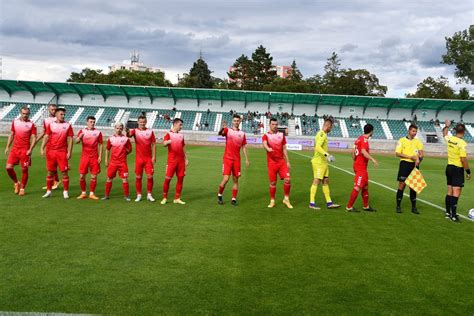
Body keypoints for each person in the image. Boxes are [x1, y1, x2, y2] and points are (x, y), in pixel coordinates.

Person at [40, 108, 73, 199]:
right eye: (61, 114)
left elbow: (70, 139)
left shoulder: (68, 125)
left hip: (62, 152)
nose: (63, 116)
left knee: (64, 172)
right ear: (57, 114)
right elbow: (46, 136)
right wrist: (42, 147)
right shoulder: (50, 125)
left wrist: (69, 151)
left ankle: (65, 192)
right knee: (50, 172)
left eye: (64, 114)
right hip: (51, 152)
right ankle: (49, 191)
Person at [217, 114, 250, 206]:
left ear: (240, 122)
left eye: (237, 121)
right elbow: (221, 133)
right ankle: (219, 195)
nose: (236, 122)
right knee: (226, 179)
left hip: (237, 160)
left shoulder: (242, 134)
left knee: (235, 180)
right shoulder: (228, 130)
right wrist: (222, 128)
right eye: (234, 120)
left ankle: (234, 199)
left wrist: (247, 159)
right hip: (227, 158)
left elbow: (243, 147)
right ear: (232, 121)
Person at [309, 118, 340, 210]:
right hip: (318, 162)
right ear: (328, 126)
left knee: (325, 180)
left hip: (323, 162)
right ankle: (311, 203)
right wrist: (327, 154)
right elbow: (317, 147)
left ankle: (329, 203)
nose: (331, 129)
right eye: (331, 127)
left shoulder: (323, 134)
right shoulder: (322, 134)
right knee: (317, 181)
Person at [5, 106, 37, 196]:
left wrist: (30, 149)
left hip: (25, 150)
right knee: (8, 168)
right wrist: (7, 147)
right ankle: (16, 183)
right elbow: (12, 134)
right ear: (20, 113)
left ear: (29, 114)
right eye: (23, 113)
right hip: (15, 149)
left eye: (27, 114)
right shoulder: (15, 122)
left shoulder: (32, 124)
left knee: (24, 170)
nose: (25, 115)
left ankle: (22, 188)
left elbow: (34, 137)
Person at [346, 124, 378, 212]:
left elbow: (352, 151)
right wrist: (373, 159)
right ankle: (349, 207)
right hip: (361, 167)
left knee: (365, 186)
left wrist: (355, 160)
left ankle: (366, 206)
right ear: (371, 131)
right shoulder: (364, 140)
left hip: (358, 165)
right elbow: (363, 152)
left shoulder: (359, 138)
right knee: (357, 187)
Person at [443, 120, 471, 222]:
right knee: (456, 191)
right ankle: (453, 215)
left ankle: (447, 212)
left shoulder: (450, 139)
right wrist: (468, 171)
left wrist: (446, 126)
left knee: (449, 190)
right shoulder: (462, 143)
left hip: (449, 167)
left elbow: (445, 134)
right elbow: (463, 159)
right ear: (464, 132)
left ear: (455, 131)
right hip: (457, 169)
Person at [262, 118, 292, 209]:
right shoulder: (266, 135)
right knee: (273, 182)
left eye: (276, 124)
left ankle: (286, 199)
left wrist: (288, 161)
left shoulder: (281, 135)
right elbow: (264, 144)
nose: (274, 126)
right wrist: (268, 148)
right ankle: (272, 201)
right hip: (271, 163)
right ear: (269, 125)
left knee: (288, 179)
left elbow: (284, 148)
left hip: (281, 162)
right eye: (273, 124)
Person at [395, 124, 424, 214]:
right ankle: (398, 206)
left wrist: (419, 159)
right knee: (401, 185)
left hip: (414, 165)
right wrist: (410, 157)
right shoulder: (402, 140)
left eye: (415, 131)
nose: (414, 133)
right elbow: (397, 153)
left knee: (413, 187)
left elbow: (421, 153)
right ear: (409, 130)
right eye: (413, 131)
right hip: (404, 164)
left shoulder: (418, 141)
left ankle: (414, 207)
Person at [128, 116, 156, 202]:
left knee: (150, 176)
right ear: (138, 122)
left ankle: (149, 194)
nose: (142, 123)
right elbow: (129, 135)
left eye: (144, 122)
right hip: (139, 159)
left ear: (146, 122)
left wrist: (154, 156)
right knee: (138, 177)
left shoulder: (150, 132)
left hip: (148, 159)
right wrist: (126, 131)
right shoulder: (135, 131)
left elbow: (154, 144)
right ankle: (139, 195)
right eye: (141, 122)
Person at [75, 116, 103, 200]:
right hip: (85, 157)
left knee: (94, 176)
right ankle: (83, 193)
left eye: (93, 122)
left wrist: (100, 156)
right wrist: (80, 137)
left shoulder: (98, 132)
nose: (92, 123)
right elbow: (76, 141)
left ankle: (91, 193)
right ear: (87, 122)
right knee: (81, 176)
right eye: (91, 122)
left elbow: (101, 144)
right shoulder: (82, 131)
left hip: (94, 157)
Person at [161, 118, 188, 204]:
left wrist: (186, 158)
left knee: (180, 179)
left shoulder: (181, 135)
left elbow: (183, 147)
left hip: (181, 162)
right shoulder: (168, 134)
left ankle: (177, 198)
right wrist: (167, 142)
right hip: (172, 162)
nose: (181, 126)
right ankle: (165, 197)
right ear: (175, 124)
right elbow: (164, 143)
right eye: (180, 125)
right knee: (167, 179)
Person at [102, 122, 132, 201]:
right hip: (113, 163)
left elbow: (130, 149)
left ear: (122, 129)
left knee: (125, 179)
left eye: (120, 128)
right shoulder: (111, 138)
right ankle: (106, 195)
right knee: (109, 178)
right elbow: (108, 149)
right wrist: (106, 160)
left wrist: (125, 154)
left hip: (122, 163)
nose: (119, 130)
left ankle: (126, 196)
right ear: (115, 128)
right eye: (117, 128)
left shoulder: (126, 139)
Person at [36, 103, 60, 190]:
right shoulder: (46, 120)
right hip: (49, 145)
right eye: (52, 110)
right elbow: (44, 132)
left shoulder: (59, 119)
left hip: (57, 145)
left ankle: (55, 181)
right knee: (51, 165)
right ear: (49, 110)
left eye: (55, 110)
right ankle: (55, 181)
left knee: (54, 165)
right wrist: (36, 140)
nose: (53, 111)